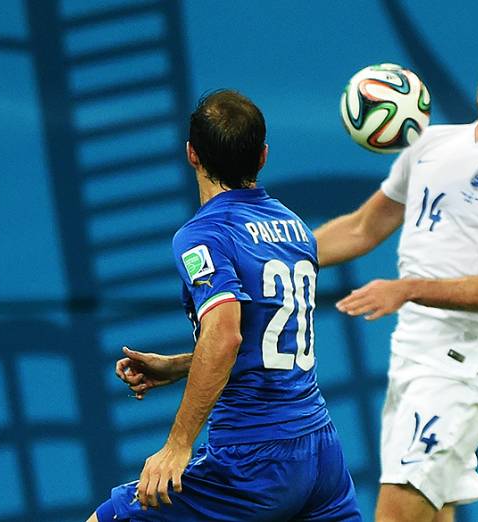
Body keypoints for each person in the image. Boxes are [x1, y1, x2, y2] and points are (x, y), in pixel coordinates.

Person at [313, 13, 478, 522]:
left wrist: (407, 287)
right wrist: (280, 252)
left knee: (397, 512)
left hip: (459, 364)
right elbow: (363, 228)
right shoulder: (430, 143)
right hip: (411, 355)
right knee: (435, 512)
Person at [86, 90, 360, 521]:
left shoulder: (203, 236)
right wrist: (179, 366)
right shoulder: (294, 228)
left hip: (252, 461)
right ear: (264, 156)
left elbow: (227, 332)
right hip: (320, 453)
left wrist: (178, 445)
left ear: (191, 154)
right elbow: (262, 340)